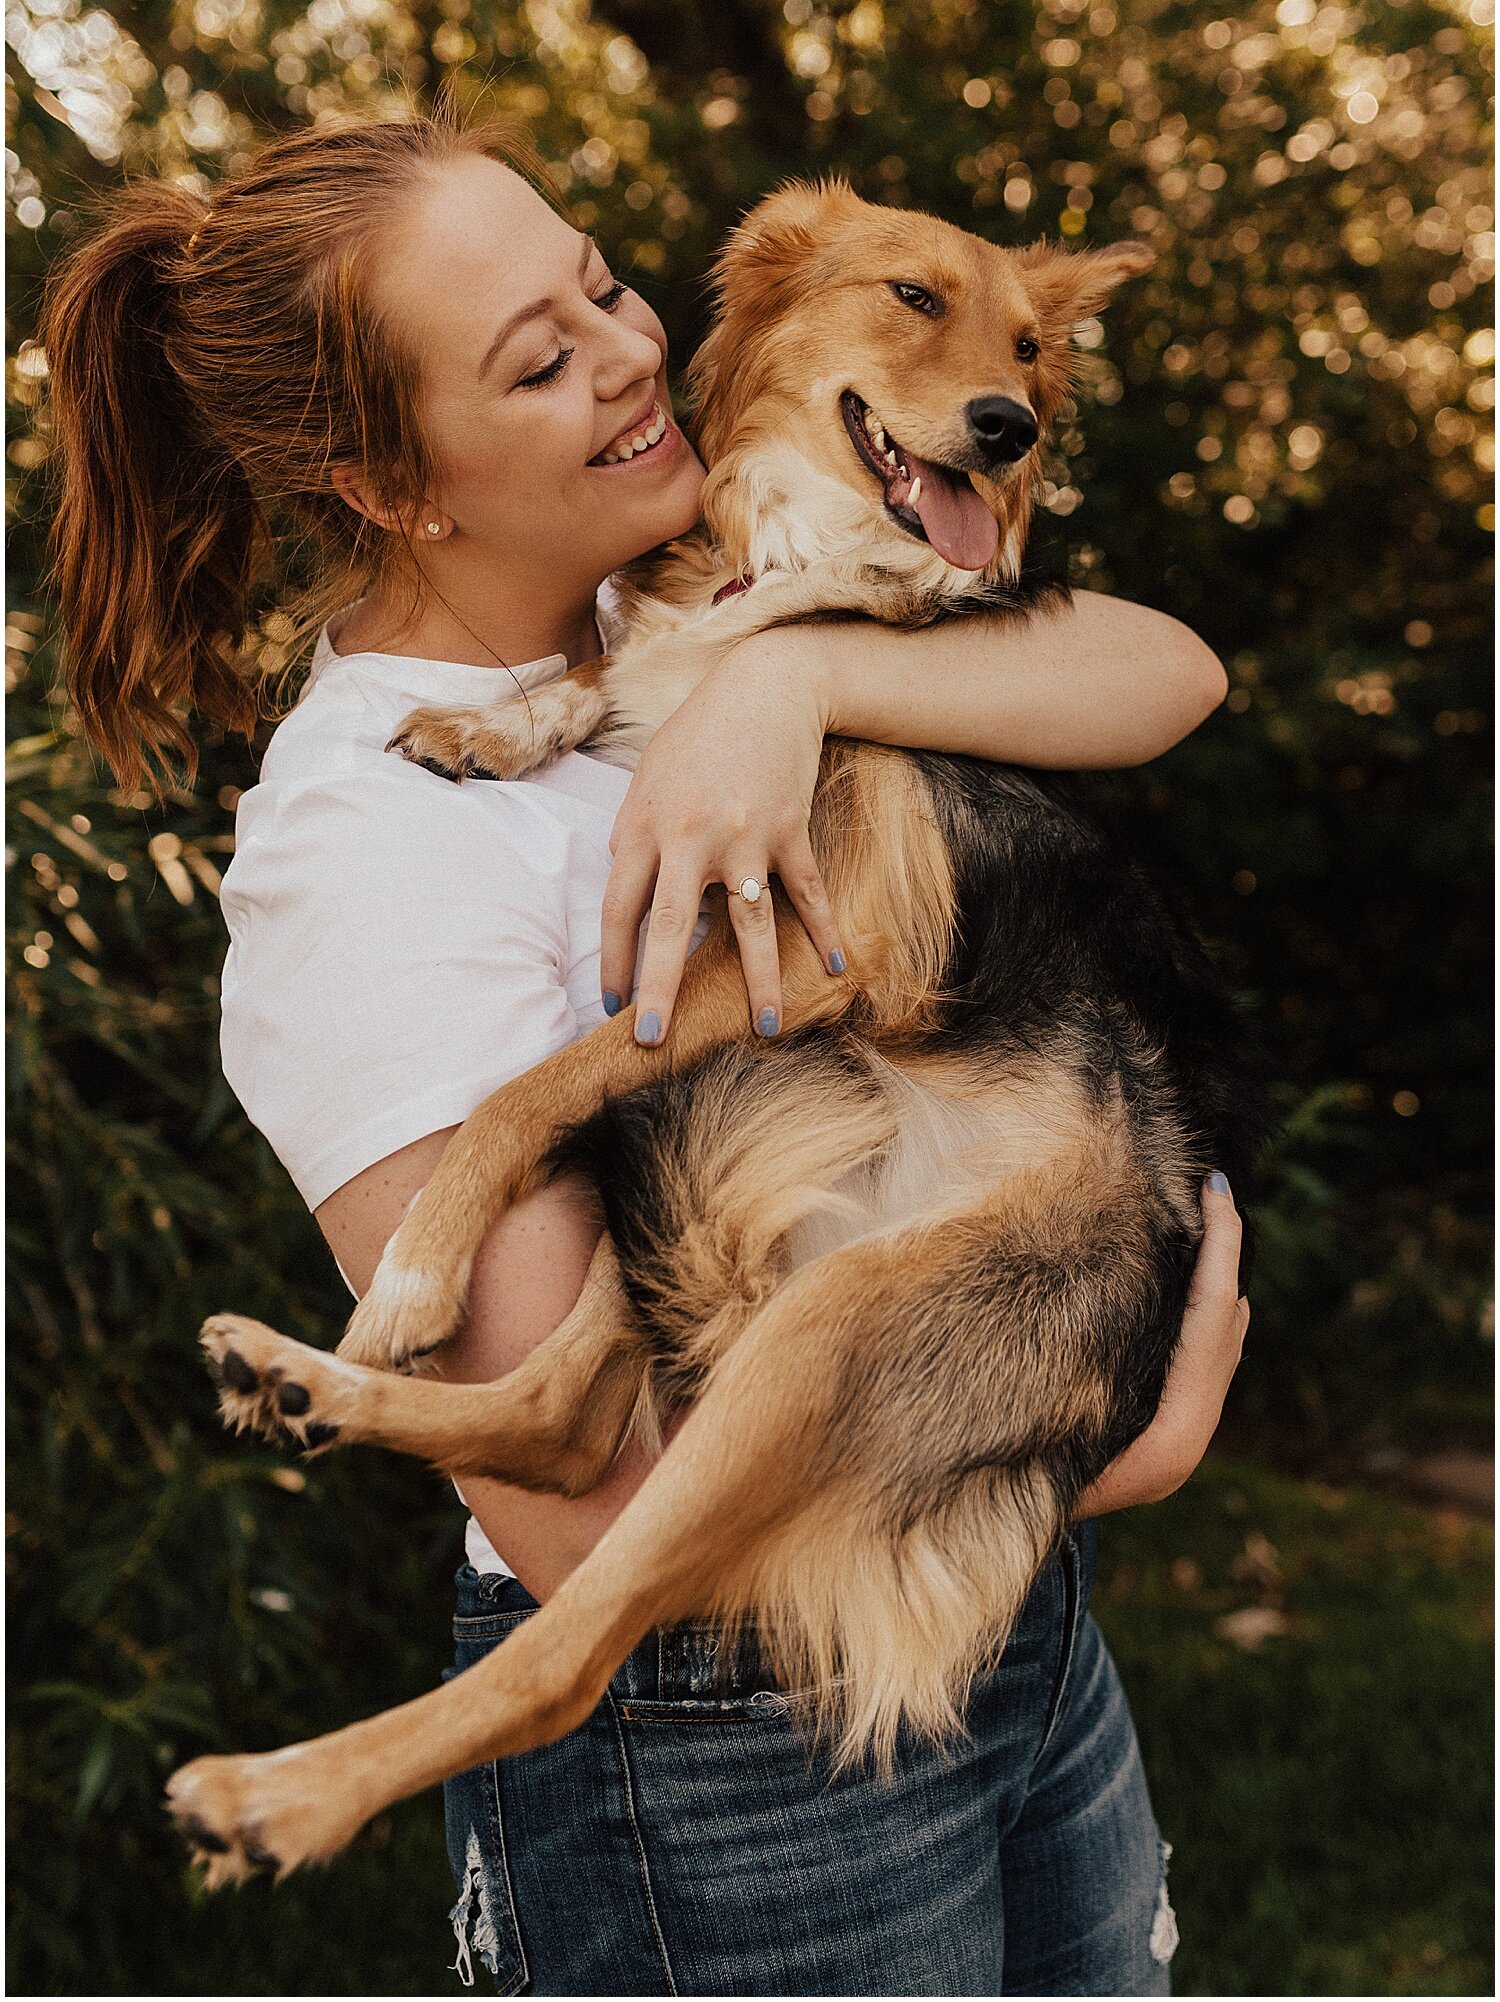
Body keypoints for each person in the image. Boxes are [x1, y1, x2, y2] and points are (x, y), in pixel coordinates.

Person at [44, 111, 1249, 1997]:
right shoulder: (365, 845)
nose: (625, 350)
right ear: (389, 480)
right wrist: (1104, 1442)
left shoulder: (698, 609)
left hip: (1003, 1628)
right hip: (718, 1730)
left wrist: (794, 671)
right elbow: (587, 1488)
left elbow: (1164, 668)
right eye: (538, 357)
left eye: (601, 282)